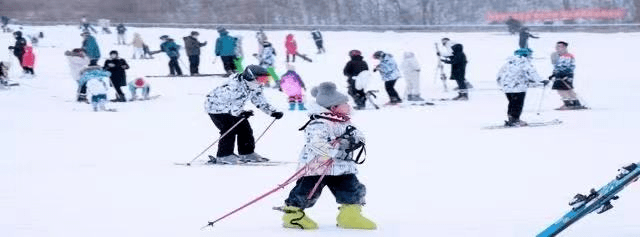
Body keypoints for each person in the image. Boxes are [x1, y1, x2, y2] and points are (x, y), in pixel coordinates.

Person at [280, 81, 376, 230]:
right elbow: (318, 145)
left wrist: (353, 141)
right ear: (333, 107)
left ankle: (350, 215)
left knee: (352, 188)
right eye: (345, 103)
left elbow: (359, 136)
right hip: (317, 167)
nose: (349, 106)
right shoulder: (318, 124)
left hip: (342, 167)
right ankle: (292, 215)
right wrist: (339, 149)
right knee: (308, 191)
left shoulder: (344, 122)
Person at [204, 65, 284, 164]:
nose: (264, 81)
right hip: (216, 108)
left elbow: (259, 100)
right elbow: (230, 102)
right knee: (229, 128)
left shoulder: (255, 86)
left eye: (266, 79)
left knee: (245, 128)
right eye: (262, 78)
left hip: (232, 109)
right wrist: (240, 113)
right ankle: (224, 155)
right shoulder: (234, 86)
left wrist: (272, 112)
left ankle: (247, 153)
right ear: (251, 77)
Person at [497, 48, 543, 127]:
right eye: (530, 55)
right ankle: (515, 119)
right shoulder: (523, 61)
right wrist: (540, 81)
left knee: (512, 103)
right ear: (525, 55)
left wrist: (501, 84)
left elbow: (500, 74)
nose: (531, 57)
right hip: (518, 87)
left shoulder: (509, 62)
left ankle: (511, 118)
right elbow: (531, 72)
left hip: (507, 87)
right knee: (518, 103)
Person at [549, 41, 585, 110]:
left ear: (564, 47)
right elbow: (557, 66)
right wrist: (554, 74)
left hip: (564, 74)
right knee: (568, 89)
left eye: (559, 46)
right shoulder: (561, 56)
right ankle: (575, 103)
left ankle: (568, 104)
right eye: (557, 46)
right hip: (563, 74)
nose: (557, 48)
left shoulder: (566, 56)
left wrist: (559, 74)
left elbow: (564, 67)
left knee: (561, 89)